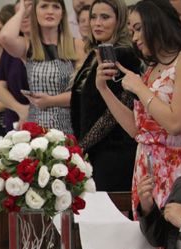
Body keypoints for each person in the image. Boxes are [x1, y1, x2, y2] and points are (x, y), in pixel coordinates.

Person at [95, 0, 181, 217]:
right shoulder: (151, 68)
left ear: (156, 23)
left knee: (173, 242)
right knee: (148, 242)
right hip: (146, 167)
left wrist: (139, 88)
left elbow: (175, 123)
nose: (134, 38)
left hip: (176, 169)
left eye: (137, 29)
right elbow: (138, 130)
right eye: (131, 31)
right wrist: (104, 89)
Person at [70, 0, 141, 191]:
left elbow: (113, 114)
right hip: (95, 151)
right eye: (94, 17)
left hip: (113, 153)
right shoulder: (97, 53)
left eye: (105, 17)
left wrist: (81, 147)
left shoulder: (123, 55)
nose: (97, 23)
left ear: (119, 21)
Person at [1, 0, 82, 133]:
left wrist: (50, 101)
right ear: (35, 13)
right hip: (36, 129)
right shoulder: (28, 46)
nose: (50, 11)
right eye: (44, 6)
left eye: (56, 7)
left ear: (62, 14)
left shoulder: (77, 46)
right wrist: (22, 10)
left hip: (69, 128)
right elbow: (5, 37)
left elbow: (82, 93)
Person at [0, 1, 31, 130]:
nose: (24, 17)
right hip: (15, 117)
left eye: (28, 11)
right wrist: (20, 109)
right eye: (20, 13)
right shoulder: (9, 51)